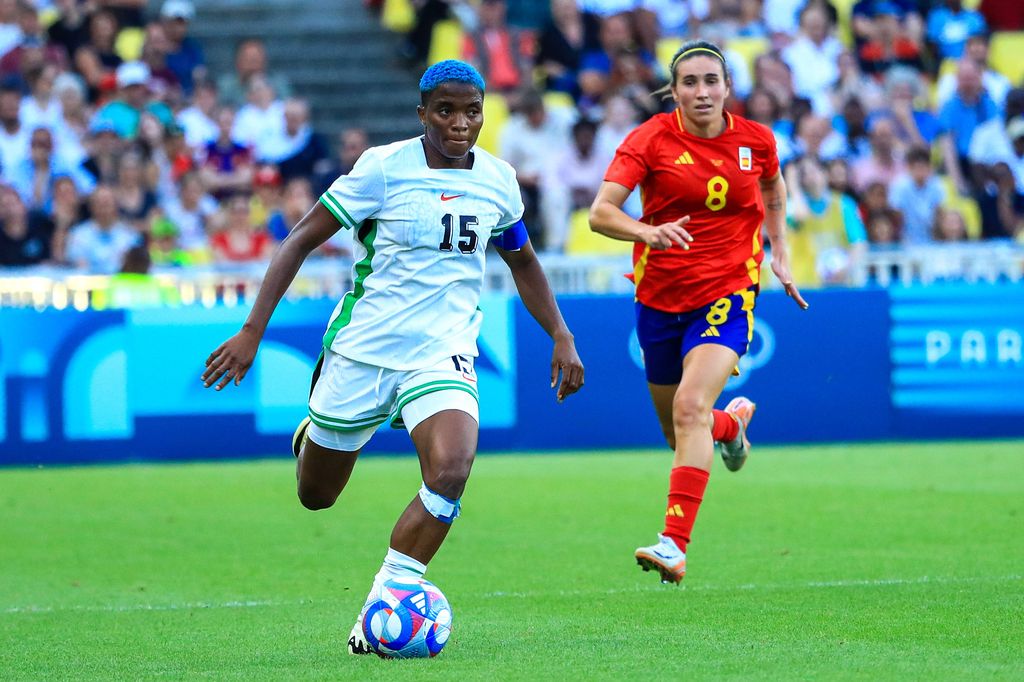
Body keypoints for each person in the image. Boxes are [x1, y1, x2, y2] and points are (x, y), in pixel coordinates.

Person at [200, 60, 584, 652]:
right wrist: (253, 331)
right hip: (363, 351)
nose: (461, 123)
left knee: (452, 469)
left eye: (473, 111)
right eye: (446, 111)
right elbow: (299, 240)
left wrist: (561, 332)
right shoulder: (382, 169)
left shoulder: (499, 180)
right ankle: (314, 435)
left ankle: (390, 595)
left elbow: (524, 261)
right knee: (316, 496)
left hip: (442, 352)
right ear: (423, 113)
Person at [588, 40, 807, 585]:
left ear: (728, 87)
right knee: (681, 431)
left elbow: (773, 188)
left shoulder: (756, 140)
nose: (702, 91)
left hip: (728, 292)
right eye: (690, 82)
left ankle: (674, 545)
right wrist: (646, 232)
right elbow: (600, 213)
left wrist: (779, 249)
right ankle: (731, 425)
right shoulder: (650, 139)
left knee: (690, 409)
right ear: (675, 90)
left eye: (712, 80)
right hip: (659, 300)